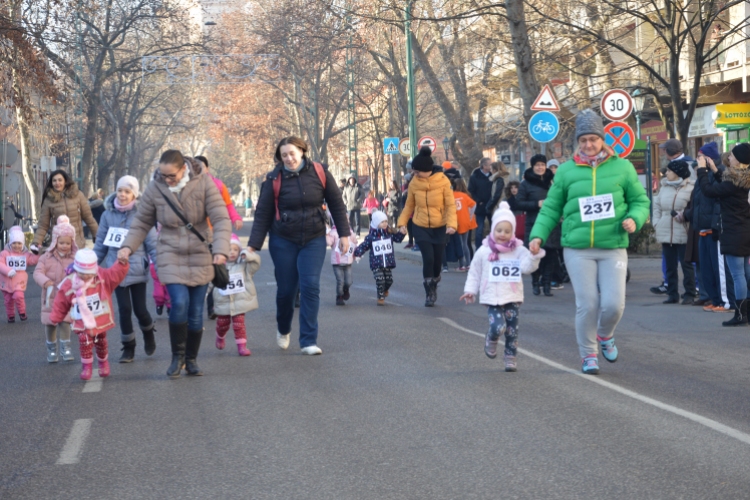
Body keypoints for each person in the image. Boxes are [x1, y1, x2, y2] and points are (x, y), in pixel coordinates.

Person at [528, 109, 650, 375]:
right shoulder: (566, 171)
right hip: (578, 248)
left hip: (613, 245)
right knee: (588, 303)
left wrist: (634, 219)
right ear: (578, 143)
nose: (588, 145)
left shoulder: (622, 167)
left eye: (593, 139)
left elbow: (640, 202)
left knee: (613, 304)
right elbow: (550, 208)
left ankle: (605, 335)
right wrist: (537, 235)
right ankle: (589, 355)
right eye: (583, 140)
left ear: (602, 139)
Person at [118, 151, 231, 378]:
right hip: (169, 250)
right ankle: (176, 357)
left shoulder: (204, 183)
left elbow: (220, 217)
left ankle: (191, 360)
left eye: (171, 175)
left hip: (200, 251)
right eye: (163, 174)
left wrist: (220, 250)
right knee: (179, 303)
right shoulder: (155, 188)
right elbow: (141, 222)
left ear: (183, 169)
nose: (167, 179)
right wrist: (127, 247)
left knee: (197, 310)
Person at [248, 137, 350, 355]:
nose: (289, 158)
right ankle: (283, 328)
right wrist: (253, 246)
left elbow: (336, 203)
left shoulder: (320, 173)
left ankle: (308, 340)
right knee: (286, 291)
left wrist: (344, 234)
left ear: (302, 151)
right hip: (283, 240)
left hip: (313, 238)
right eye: (284, 155)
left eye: (292, 153)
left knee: (311, 286)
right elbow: (263, 214)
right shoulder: (274, 178)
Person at [460, 202, 545, 372]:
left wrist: (534, 256)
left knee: (512, 330)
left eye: (507, 231)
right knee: (498, 326)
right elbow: (475, 271)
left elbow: (527, 267)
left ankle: (510, 357)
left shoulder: (518, 249)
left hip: (512, 296)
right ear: (492, 230)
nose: (503, 235)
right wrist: (470, 290)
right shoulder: (484, 250)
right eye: (499, 231)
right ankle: (491, 339)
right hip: (491, 297)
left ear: (513, 231)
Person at [93, 176, 159, 363]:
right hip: (115, 271)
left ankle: (148, 332)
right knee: (124, 309)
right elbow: (100, 245)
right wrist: (90, 266)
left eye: (127, 191)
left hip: (137, 269)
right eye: (120, 190)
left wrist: (158, 267)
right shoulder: (107, 215)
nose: (122, 195)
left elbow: (152, 244)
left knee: (140, 310)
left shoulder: (142, 215)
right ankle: (128, 348)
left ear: (134, 195)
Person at [50, 248, 129, 381]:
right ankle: (87, 367)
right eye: (81, 273)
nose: (85, 276)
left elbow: (115, 274)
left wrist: (121, 264)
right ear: (76, 269)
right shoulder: (70, 282)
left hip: (100, 318)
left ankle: (103, 363)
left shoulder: (102, 277)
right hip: (82, 320)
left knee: (101, 341)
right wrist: (56, 316)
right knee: (84, 341)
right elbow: (61, 300)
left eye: (89, 273)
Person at [696, 143, 750, 326]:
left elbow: (710, 191)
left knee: (737, 275)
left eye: (733, 156)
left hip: (733, 231)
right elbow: (727, 185)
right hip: (745, 230)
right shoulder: (743, 179)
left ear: (740, 160)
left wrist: (702, 171)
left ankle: (740, 315)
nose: (729, 158)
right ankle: (747, 313)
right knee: (746, 273)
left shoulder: (733, 182)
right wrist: (714, 169)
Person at [397, 147, 458, 306]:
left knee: (437, 262)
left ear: (426, 170)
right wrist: (402, 223)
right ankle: (429, 292)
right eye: (413, 172)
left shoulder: (443, 181)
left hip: (440, 226)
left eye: (417, 172)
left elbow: (450, 205)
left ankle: (435, 281)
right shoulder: (414, 184)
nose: (414, 174)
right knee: (428, 258)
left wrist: (452, 224)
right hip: (420, 225)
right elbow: (409, 206)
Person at [33, 216, 77, 362]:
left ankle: (66, 348)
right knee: (50, 324)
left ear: (72, 242)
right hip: (50, 297)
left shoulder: (75, 258)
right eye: (61, 242)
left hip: (66, 297)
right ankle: (52, 349)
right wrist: (45, 282)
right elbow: (37, 272)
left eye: (67, 243)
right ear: (55, 241)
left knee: (65, 322)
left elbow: (81, 273)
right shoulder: (46, 257)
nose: (64, 246)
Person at [652, 160, 696, 304]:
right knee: (670, 265)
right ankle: (672, 294)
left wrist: (684, 216)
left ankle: (689, 293)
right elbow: (657, 206)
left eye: (670, 171)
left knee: (686, 264)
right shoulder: (664, 187)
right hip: (665, 229)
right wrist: (656, 223)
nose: (666, 173)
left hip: (683, 230)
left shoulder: (690, 188)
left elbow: (693, 208)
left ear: (677, 173)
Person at [515, 154, 559, 296]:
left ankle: (547, 286)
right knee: (535, 255)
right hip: (533, 223)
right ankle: (535, 283)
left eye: (542, 165)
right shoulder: (526, 183)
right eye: (537, 165)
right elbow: (518, 203)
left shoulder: (553, 181)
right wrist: (536, 204)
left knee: (551, 256)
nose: (540, 168)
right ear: (532, 167)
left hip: (552, 223)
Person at [213, 234, 261, 357]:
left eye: (235, 249)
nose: (232, 252)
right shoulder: (217, 267)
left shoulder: (244, 266)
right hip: (223, 301)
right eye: (229, 249)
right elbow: (209, 282)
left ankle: (242, 347)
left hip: (239, 302)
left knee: (239, 324)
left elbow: (256, 263)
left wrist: (247, 254)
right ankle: (220, 336)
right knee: (222, 324)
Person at [32, 169, 99, 253]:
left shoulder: (78, 195)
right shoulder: (48, 200)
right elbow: (43, 225)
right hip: (58, 245)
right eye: (54, 181)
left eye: (60, 180)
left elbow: (89, 218)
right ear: (51, 183)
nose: (57, 183)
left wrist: (97, 235)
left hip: (77, 244)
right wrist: (36, 242)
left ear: (65, 181)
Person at [354, 210, 405, 305]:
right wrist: (357, 253)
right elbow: (364, 246)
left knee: (389, 280)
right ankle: (380, 296)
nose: (385, 223)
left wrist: (402, 233)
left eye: (386, 221)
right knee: (380, 279)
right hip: (376, 263)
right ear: (377, 223)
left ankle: (385, 289)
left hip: (388, 262)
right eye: (382, 222)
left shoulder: (389, 234)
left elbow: (398, 239)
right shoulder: (371, 237)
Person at [0, 226, 40, 322]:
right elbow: (0, 264)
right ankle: (10, 316)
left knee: (19, 296)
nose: (16, 245)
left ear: (22, 244)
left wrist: (37, 252)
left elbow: (33, 260)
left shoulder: (25, 254)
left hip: (19, 281)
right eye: (14, 243)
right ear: (10, 243)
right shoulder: (5, 253)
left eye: (19, 243)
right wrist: (8, 271)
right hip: (6, 281)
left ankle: (22, 312)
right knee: (8, 300)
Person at [326, 215, 358, 306]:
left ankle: (345, 289)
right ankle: (339, 296)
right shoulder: (333, 232)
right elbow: (329, 243)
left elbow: (355, 243)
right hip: (337, 262)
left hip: (348, 261)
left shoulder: (350, 232)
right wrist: (326, 234)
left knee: (348, 281)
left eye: (347, 220)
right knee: (340, 281)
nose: (346, 221)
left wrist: (357, 253)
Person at [468, 157, 493, 249]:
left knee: (494, 228)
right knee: (479, 230)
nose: (491, 166)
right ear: (484, 166)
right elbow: (471, 191)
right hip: (480, 207)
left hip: (491, 206)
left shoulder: (493, 176)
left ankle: (493, 247)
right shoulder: (474, 177)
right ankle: (479, 249)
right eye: (490, 164)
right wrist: (478, 201)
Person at [453, 178, 477, 271]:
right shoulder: (465, 195)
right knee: (465, 243)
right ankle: (468, 263)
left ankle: (461, 264)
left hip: (455, 222)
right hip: (466, 222)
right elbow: (474, 205)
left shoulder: (451, 195)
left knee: (459, 244)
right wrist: (470, 216)